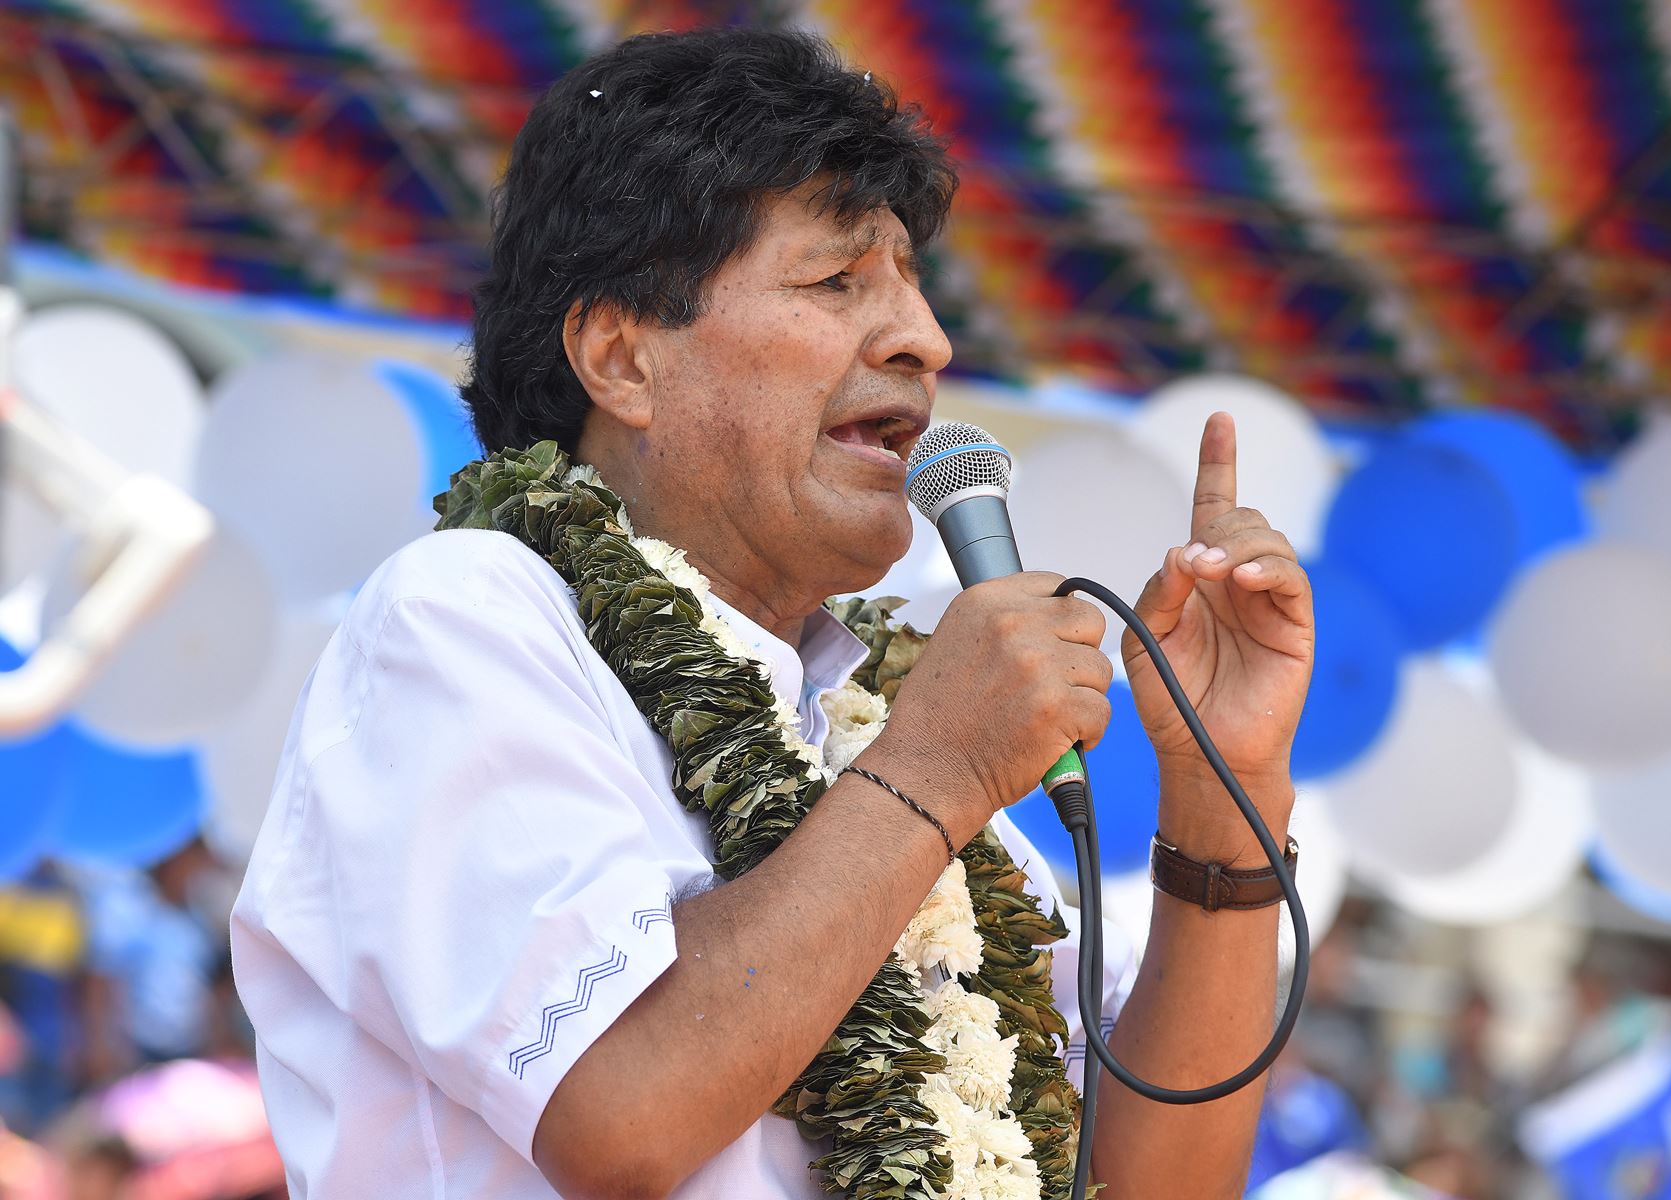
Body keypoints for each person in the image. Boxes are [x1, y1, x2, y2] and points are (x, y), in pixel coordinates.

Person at [229, 27, 1314, 1200]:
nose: (925, 340)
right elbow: (620, 1116)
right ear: (623, 359)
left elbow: (1157, 1185)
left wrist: (1226, 790)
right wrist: (934, 774)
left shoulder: (861, 713)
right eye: (837, 282)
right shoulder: (465, 618)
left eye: (911, 286)